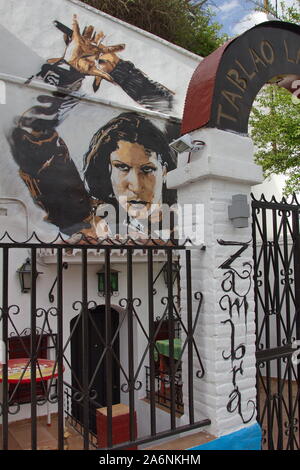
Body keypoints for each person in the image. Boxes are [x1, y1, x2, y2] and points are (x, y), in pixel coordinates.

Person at [83, 112, 177, 239]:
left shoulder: (182, 223)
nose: (136, 187)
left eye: (147, 169)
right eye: (122, 167)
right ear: (107, 171)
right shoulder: (98, 227)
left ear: (164, 171)